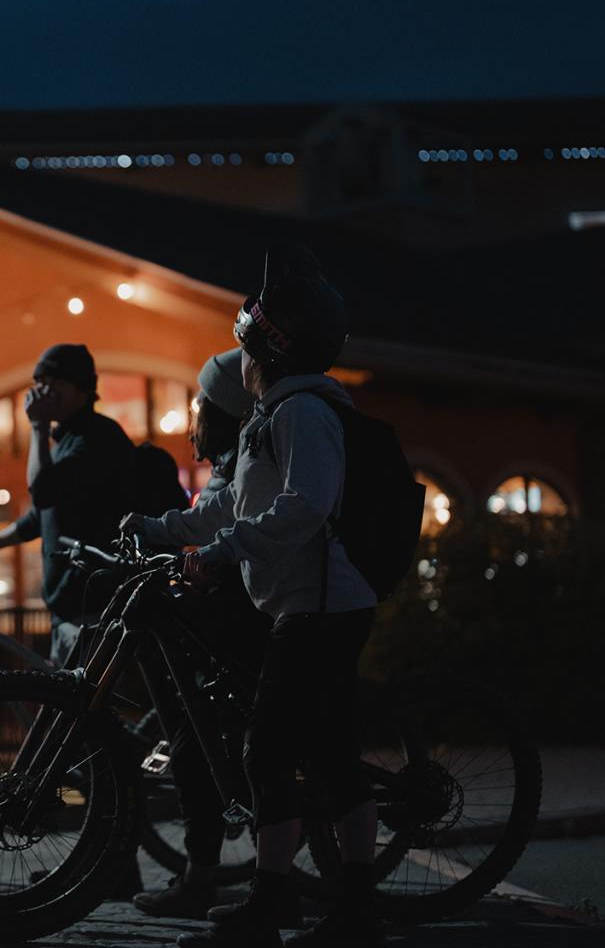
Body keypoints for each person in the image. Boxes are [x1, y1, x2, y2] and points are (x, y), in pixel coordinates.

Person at [122, 243, 382, 948]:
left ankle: (271, 910)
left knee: (267, 755)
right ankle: (352, 913)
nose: (238, 364)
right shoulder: (274, 416)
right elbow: (226, 508)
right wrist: (157, 527)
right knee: (328, 756)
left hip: (322, 606)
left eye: (244, 347)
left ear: (265, 350)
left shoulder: (303, 414)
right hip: (305, 604)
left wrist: (222, 554)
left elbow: (305, 507)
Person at [132, 349, 270, 922]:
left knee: (223, 739)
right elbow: (209, 513)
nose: (194, 412)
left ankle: (232, 880)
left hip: (253, 608)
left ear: (224, 407)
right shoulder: (231, 458)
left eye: (202, 402)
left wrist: (172, 536)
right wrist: (156, 529)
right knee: (212, 737)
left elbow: (225, 520)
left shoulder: (247, 455)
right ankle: (213, 876)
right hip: (242, 602)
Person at [0, 343, 135, 665]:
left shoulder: (96, 438)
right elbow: (38, 518)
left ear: (79, 388)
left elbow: (42, 491)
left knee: (83, 711)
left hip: (93, 612)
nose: (41, 394)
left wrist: (38, 427)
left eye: (51, 384)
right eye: (38, 385)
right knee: (66, 710)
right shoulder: (66, 441)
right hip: (70, 612)